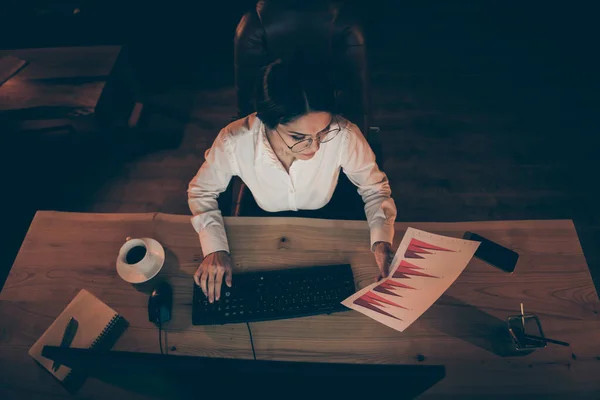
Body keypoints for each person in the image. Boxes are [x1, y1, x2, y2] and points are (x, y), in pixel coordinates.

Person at [188, 59, 397, 303]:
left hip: (329, 212)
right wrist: (215, 247)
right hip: (264, 217)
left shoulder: (344, 134)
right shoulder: (234, 141)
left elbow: (374, 188)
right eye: (300, 137)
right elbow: (201, 192)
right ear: (268, 121)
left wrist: (382, 239)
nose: (316, 147)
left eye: (323, 132)